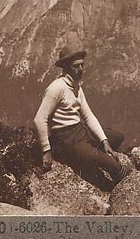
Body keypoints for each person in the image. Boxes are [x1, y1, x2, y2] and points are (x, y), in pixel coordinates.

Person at [33, 43, 127, 190]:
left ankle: (92, 151)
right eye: (76, 66)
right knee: (111, 164)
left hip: (80, 131)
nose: (81, 69)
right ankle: (123, 184)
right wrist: (46, 151)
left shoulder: (76, 86)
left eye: (82, 65)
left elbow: (88, 116)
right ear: (65, 67)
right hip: (66, 139)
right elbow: (40, 119)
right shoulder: (56, 88)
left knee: (117, 137)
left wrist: (104, 141)